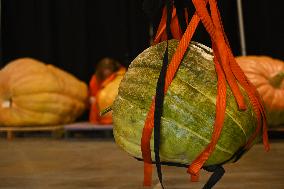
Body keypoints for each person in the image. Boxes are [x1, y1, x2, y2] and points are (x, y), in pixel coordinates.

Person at [89, 57, 125, 124]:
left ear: (113, 69)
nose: (107, 71)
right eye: (105, 69)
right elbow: (93, 95)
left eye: (109, 69)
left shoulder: (118, 76)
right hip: (99, 105)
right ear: (100, 69)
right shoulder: (95, 79)